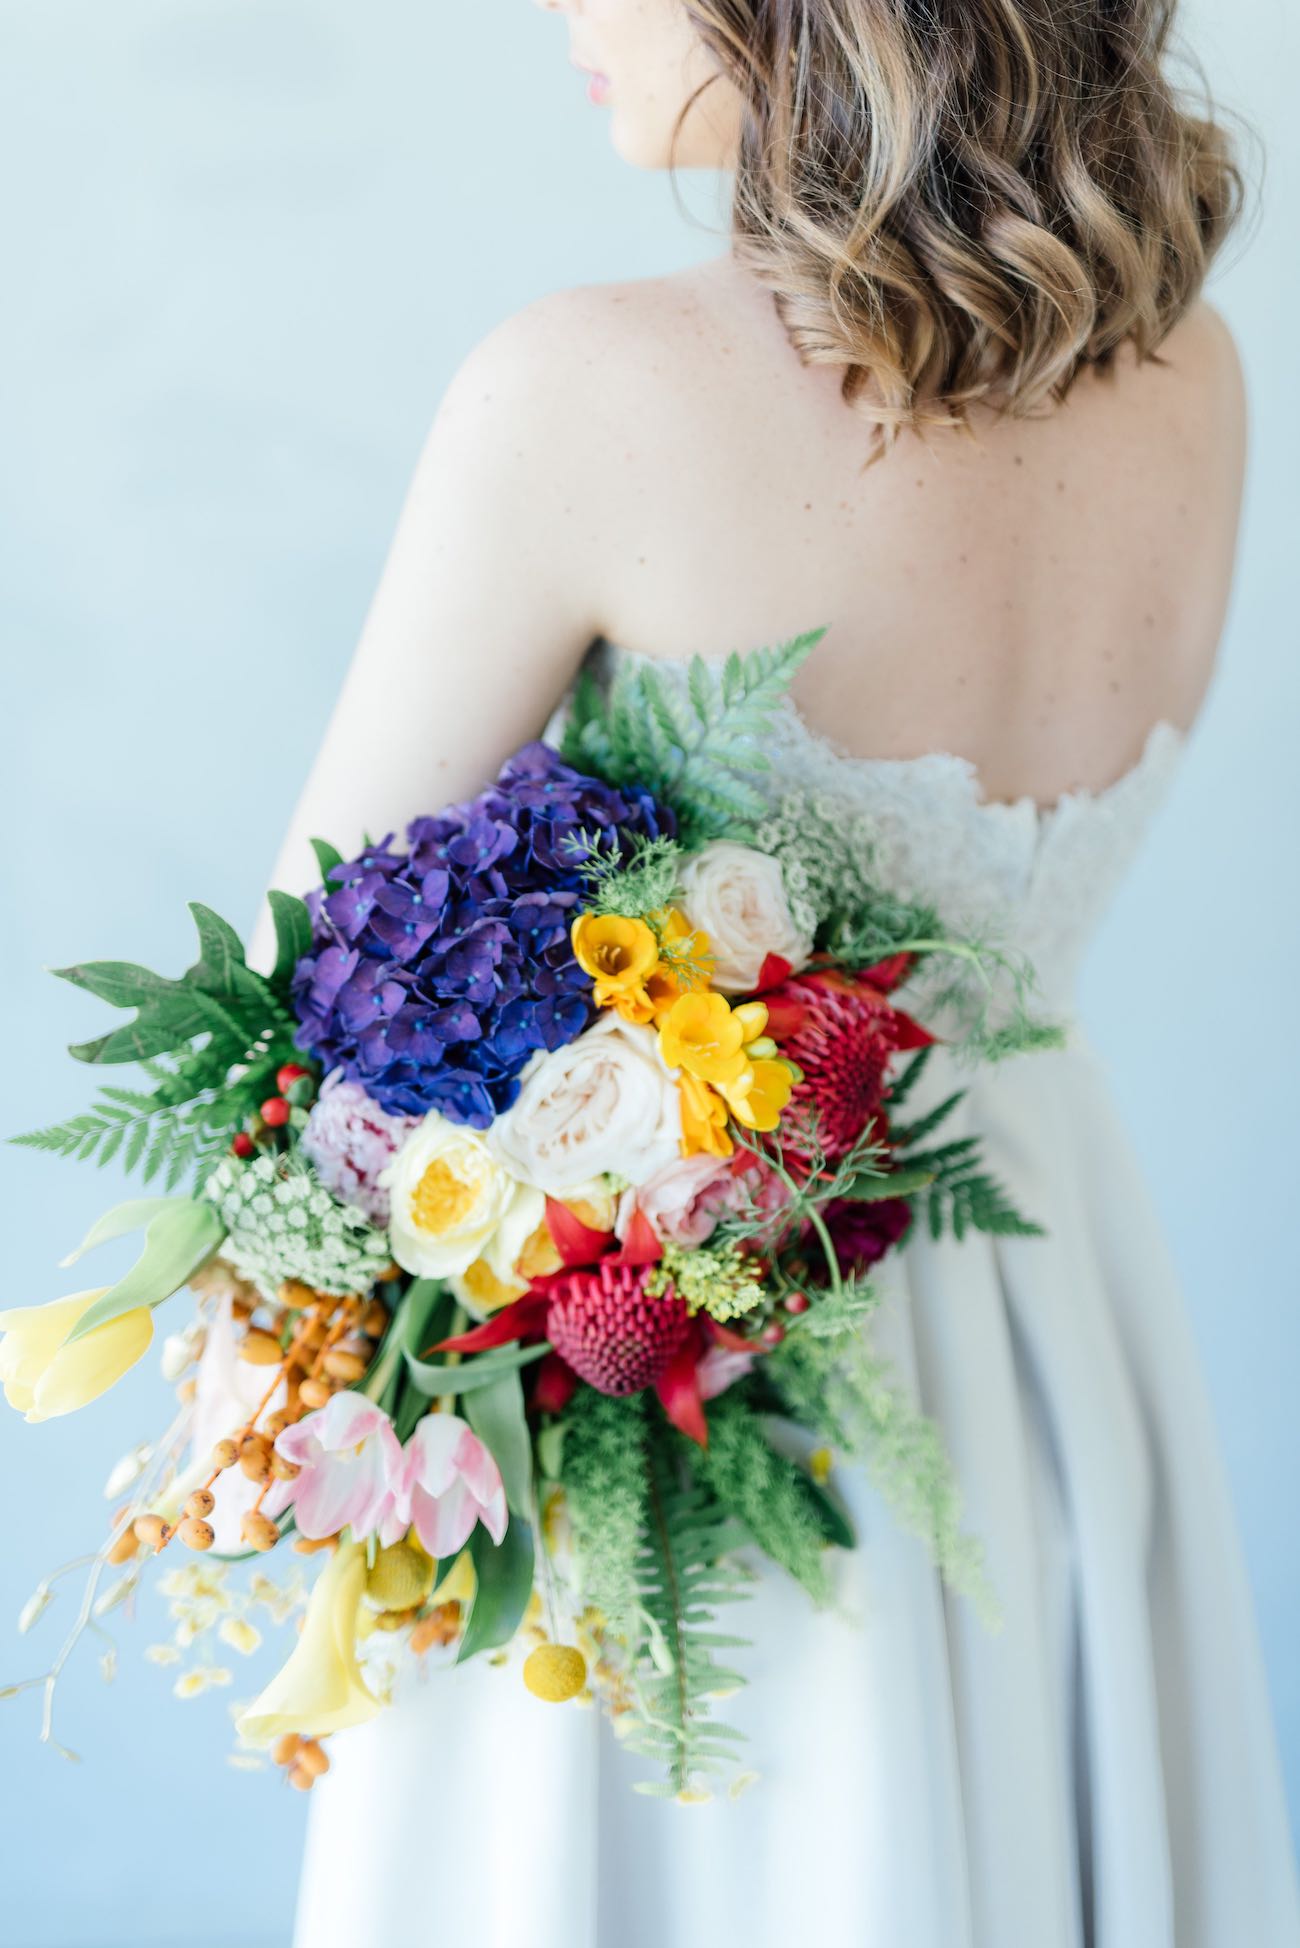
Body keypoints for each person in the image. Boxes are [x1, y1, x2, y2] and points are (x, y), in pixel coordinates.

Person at [264, 3, 1299, 1944]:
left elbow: (299, 971)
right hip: (1047, 1301)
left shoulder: (579, 390)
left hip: (692, 1345)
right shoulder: (1198, 378)